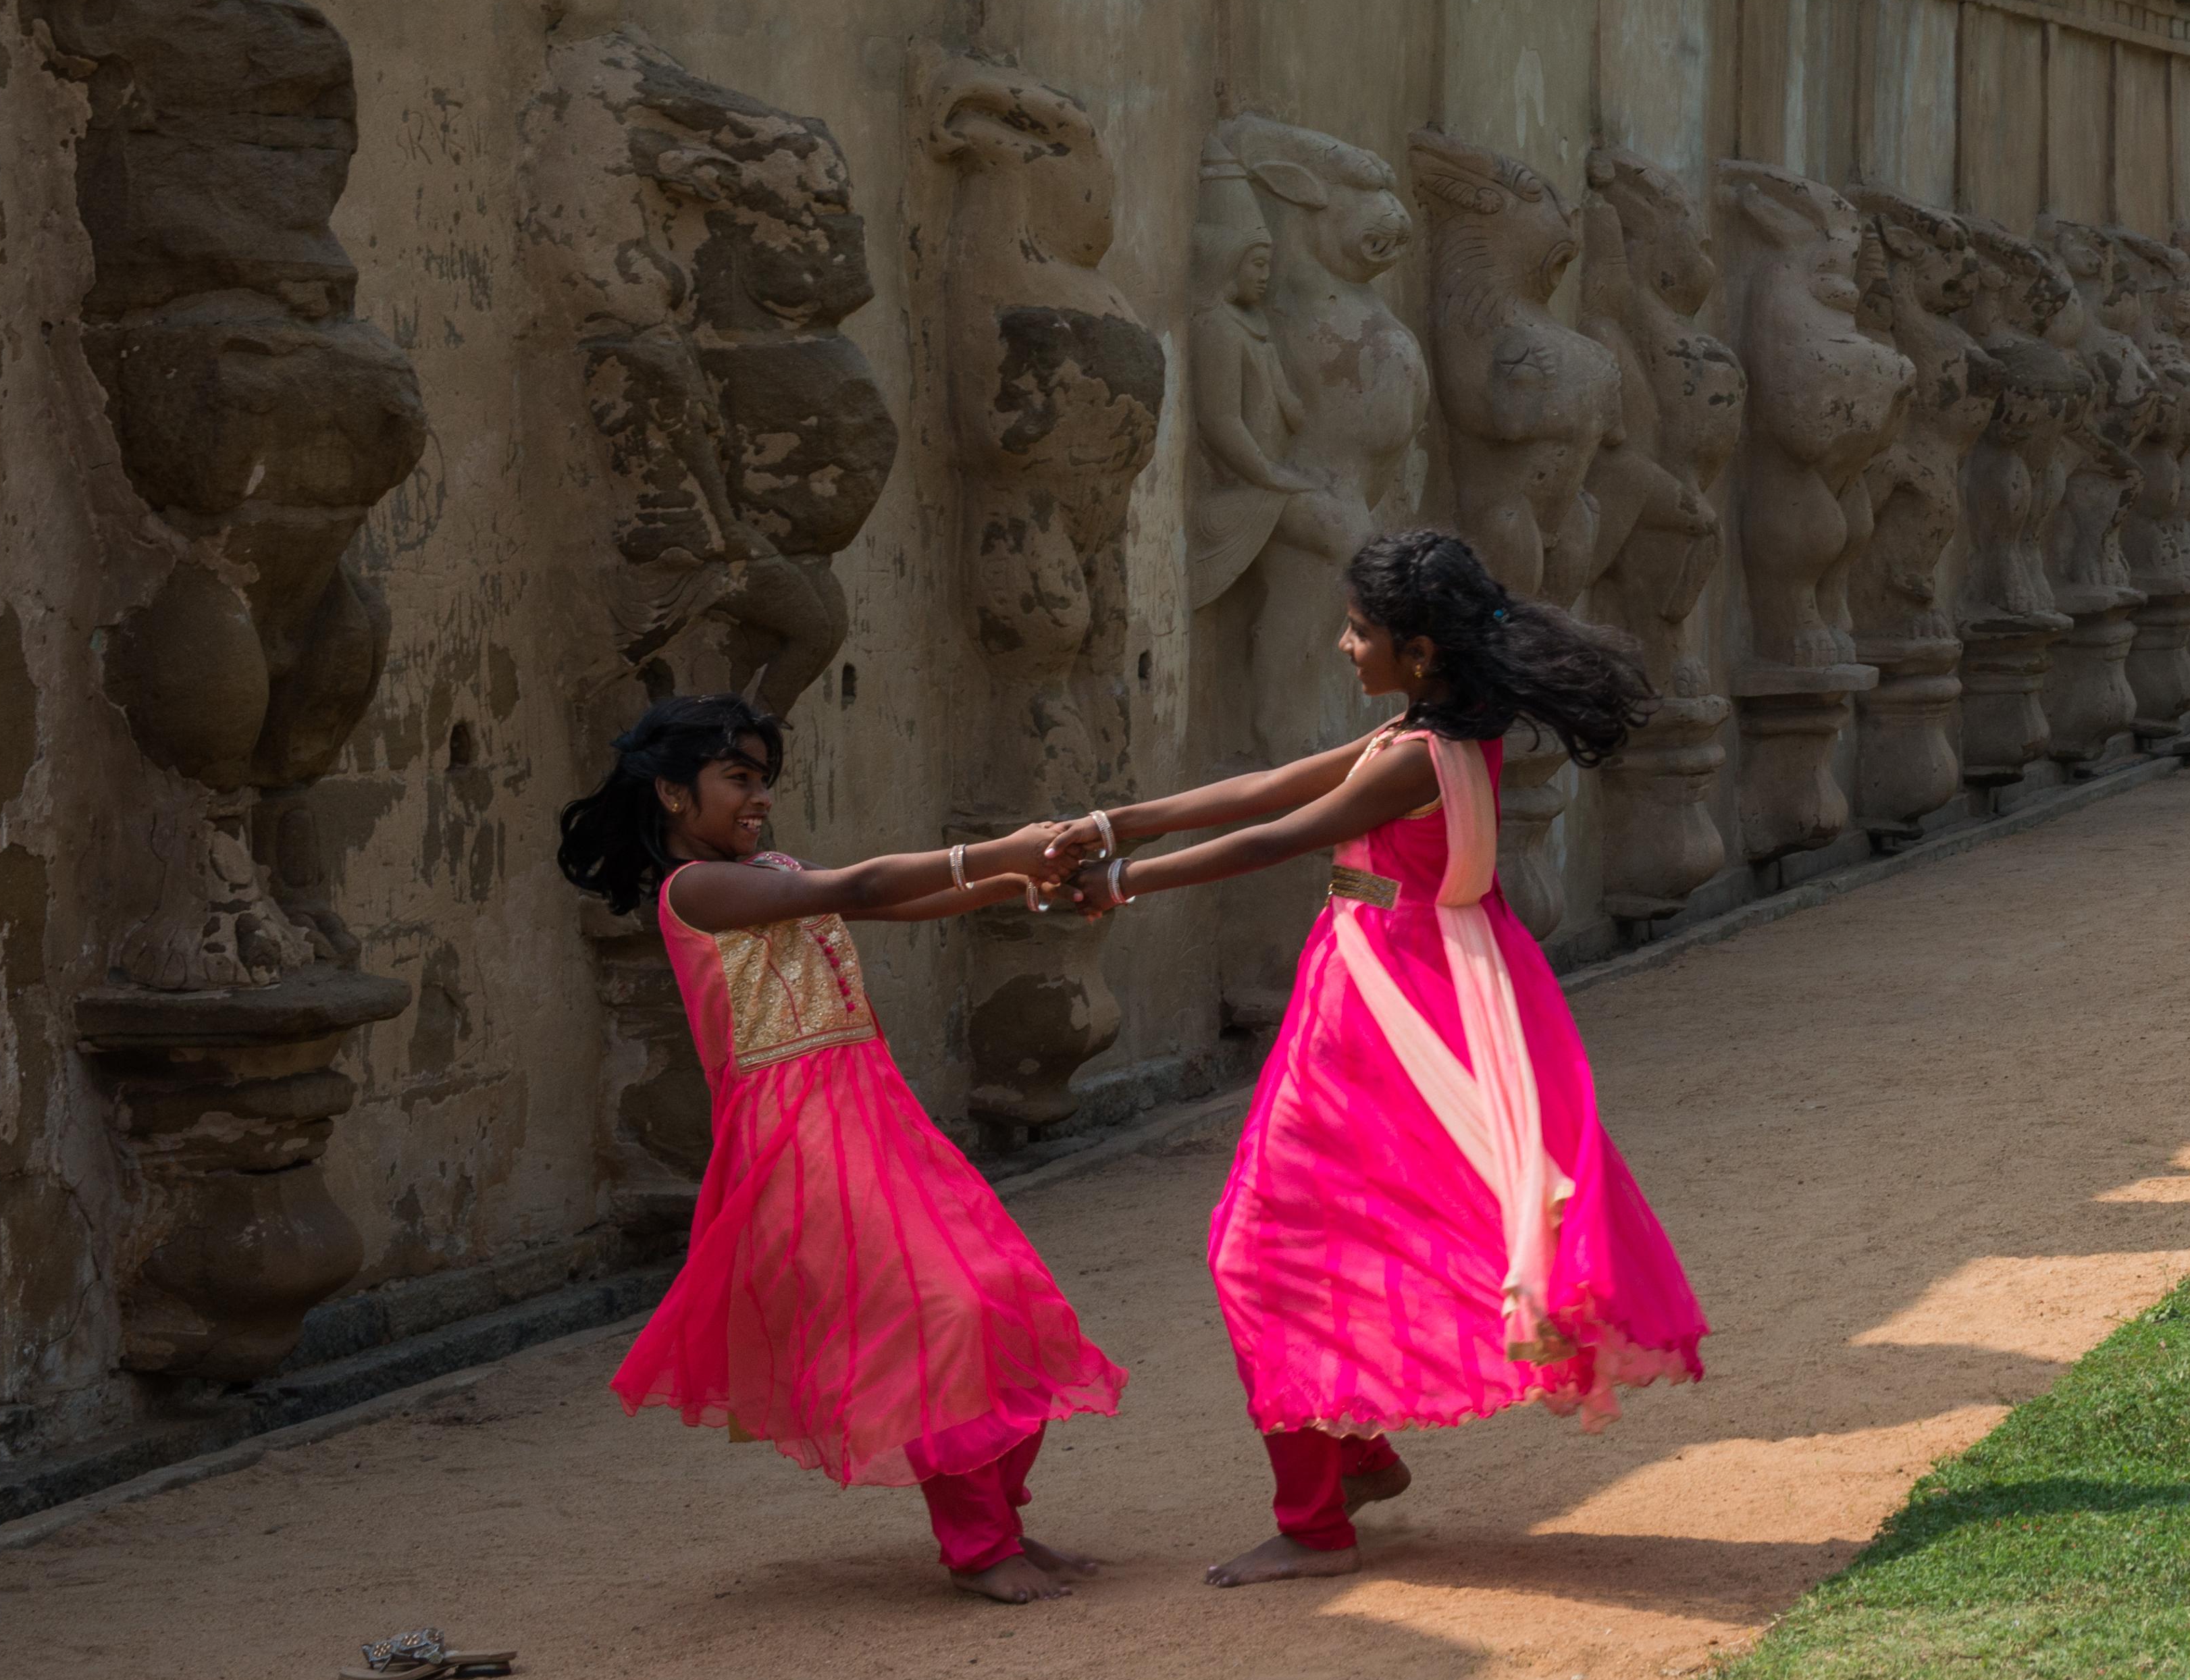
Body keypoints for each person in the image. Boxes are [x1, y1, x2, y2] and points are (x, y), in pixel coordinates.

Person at [1043, 529, 1706, 1587]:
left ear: (1422, 651)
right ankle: (1348, 1463)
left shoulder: (1411, 759)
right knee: (1297, 1234)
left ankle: (1319, 1514)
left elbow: (1281, 832)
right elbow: (1263, 791)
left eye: (1361, 631)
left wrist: (1122, 880)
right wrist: (1111, 822)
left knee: (1256, 1248)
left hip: (1391, 1000)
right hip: (1379, 984)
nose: (1345, 647)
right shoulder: (1429, 732)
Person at [563, 693, 1123, 1603]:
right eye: (736, 779)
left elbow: (899, 901)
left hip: (872, 1111)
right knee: (943, 1316)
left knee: (1002, 1299)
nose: (759, 799)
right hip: (798, 1138)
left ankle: (1004, 1526)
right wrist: (1008, 850)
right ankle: (981, 1547)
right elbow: (861, 887)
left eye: (763, 782)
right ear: (672, 796)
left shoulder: (770, 868)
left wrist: (1022, 883)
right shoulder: (695, 890)